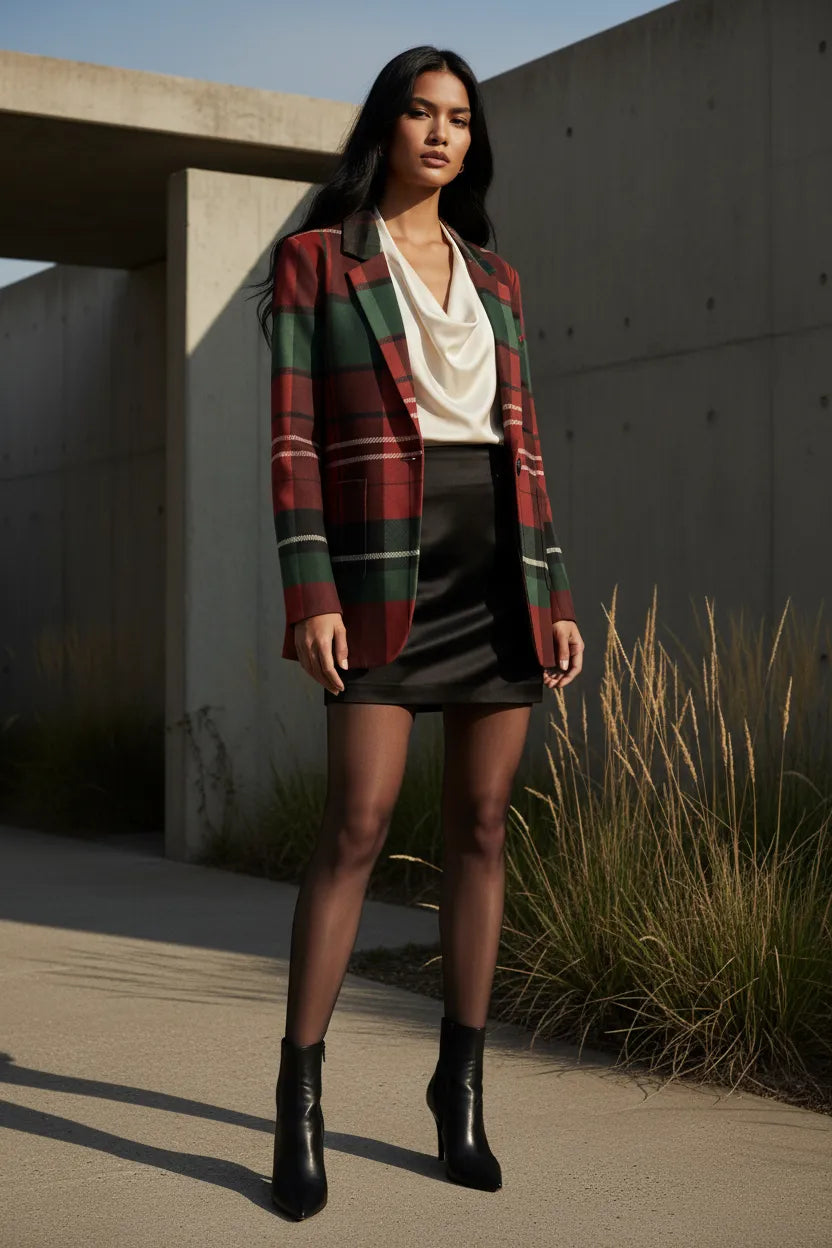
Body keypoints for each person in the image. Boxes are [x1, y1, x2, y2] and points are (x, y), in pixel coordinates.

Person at [253, 44, 585, 1221]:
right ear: (384, 128)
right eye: (420, 112)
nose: (441, 133)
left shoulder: (498, 279)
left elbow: (525, 449)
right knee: (357, 822)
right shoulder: (316, 261)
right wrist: (311, 594)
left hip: (494, 569)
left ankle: (460, 1090)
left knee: (483, 827)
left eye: (459, 117)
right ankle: (298, 1100)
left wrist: (550, 593)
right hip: (377, 568)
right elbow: (294, 444)